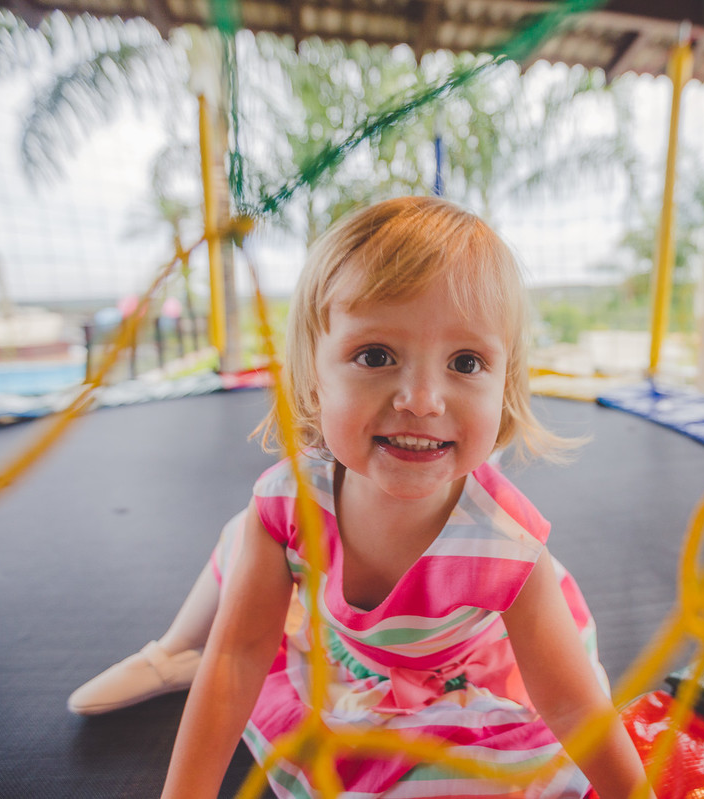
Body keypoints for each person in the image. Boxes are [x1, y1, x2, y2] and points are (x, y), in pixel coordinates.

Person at [73, 196, 653, 798]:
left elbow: (574, 708)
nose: (422, 400)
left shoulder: (509, 548)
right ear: (313, 379)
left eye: (465, 362)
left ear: (504, 388)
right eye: (375, 356)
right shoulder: (288, 499)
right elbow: (238, 658)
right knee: (249, 529)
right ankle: (175, 651)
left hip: (455, 681)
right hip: (340, 647)